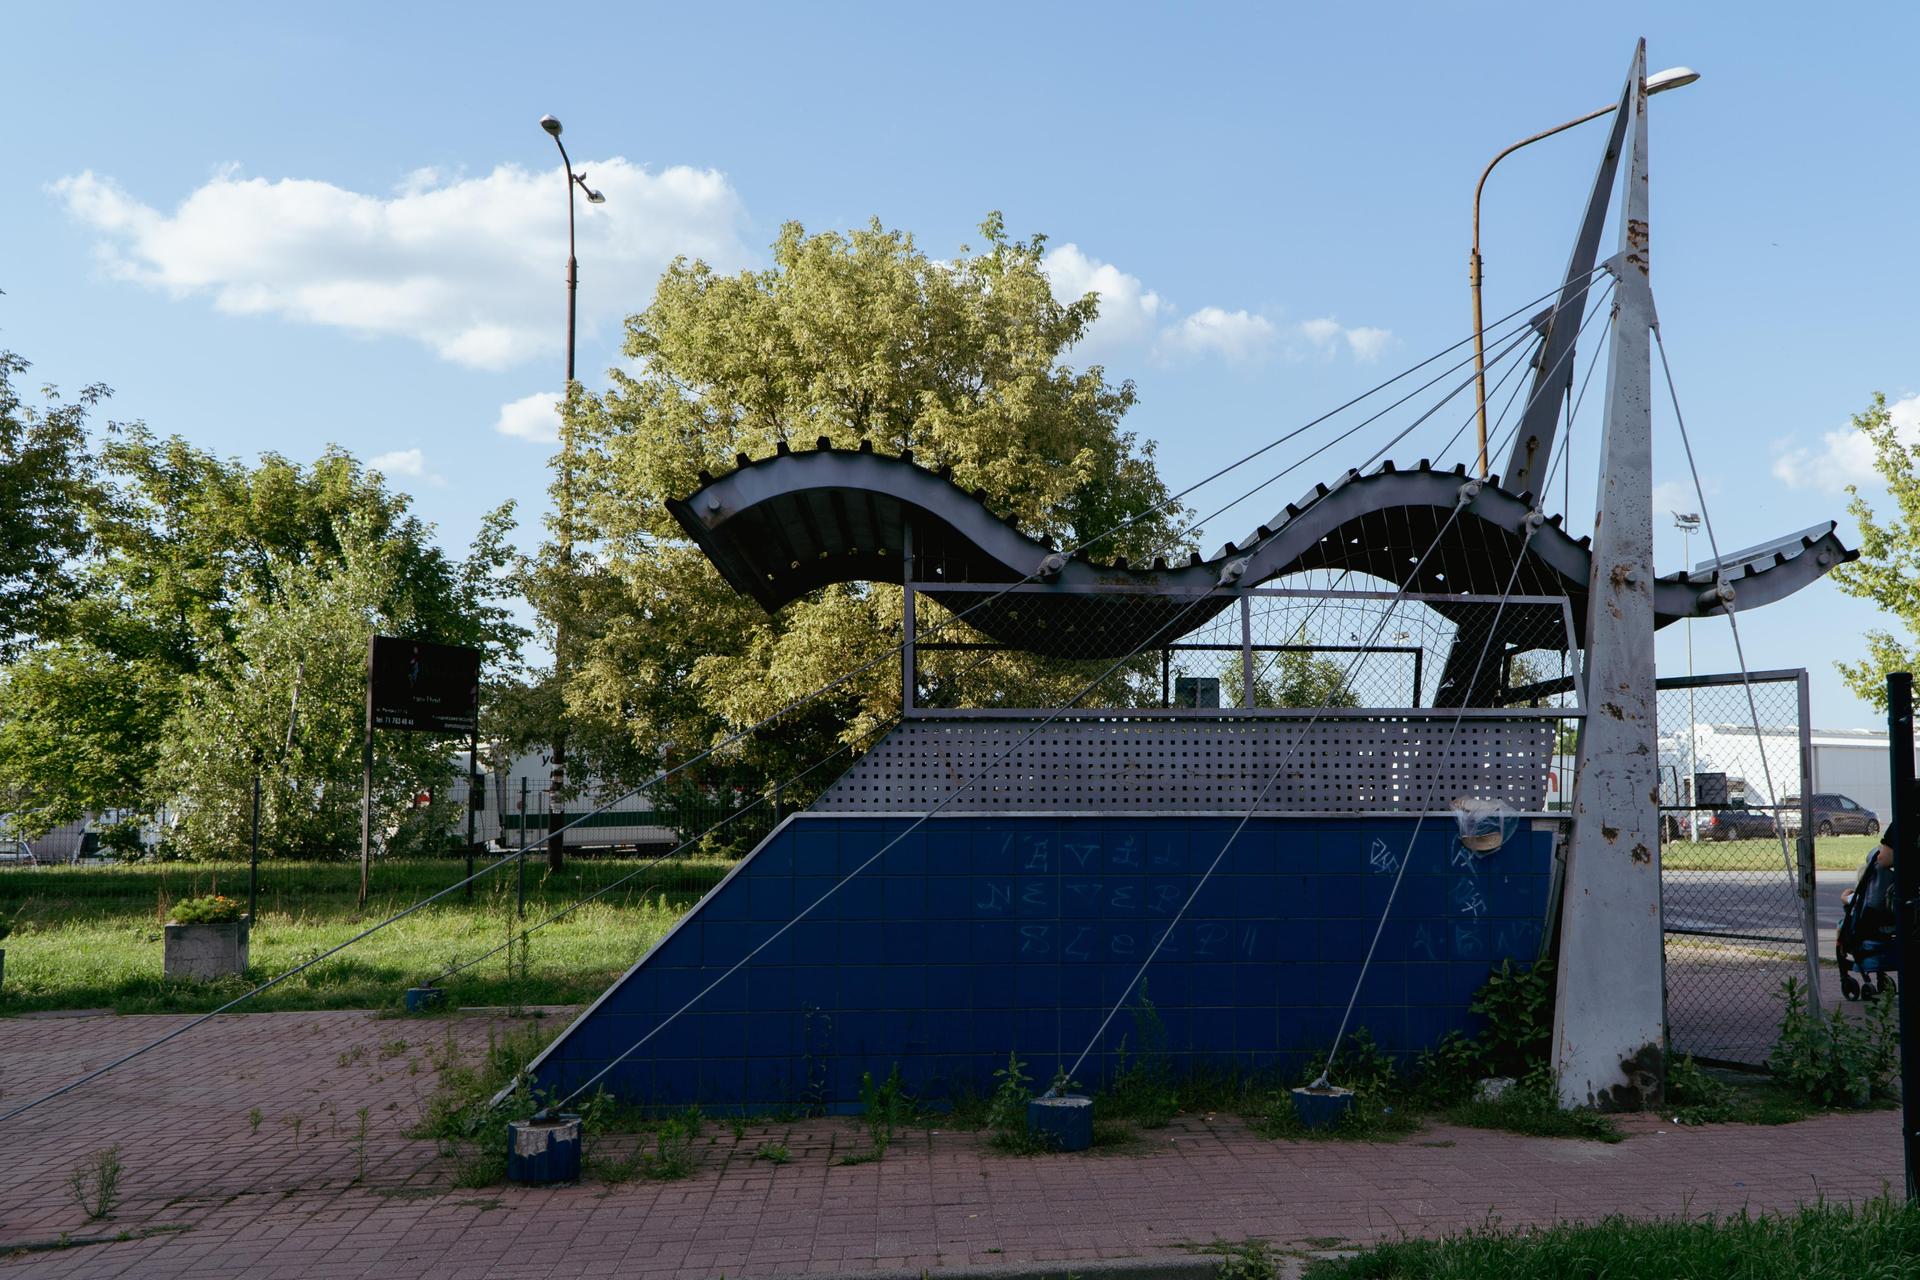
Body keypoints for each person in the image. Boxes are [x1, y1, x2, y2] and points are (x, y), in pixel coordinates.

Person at [1837, 824, 1899, 1000]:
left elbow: (1884, 858)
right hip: (1892, 924)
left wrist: (1846, 896)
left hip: (1870, 925)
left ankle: (1843, 957)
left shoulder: (1868, 898)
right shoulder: (1894, 889)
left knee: (1842, 926)